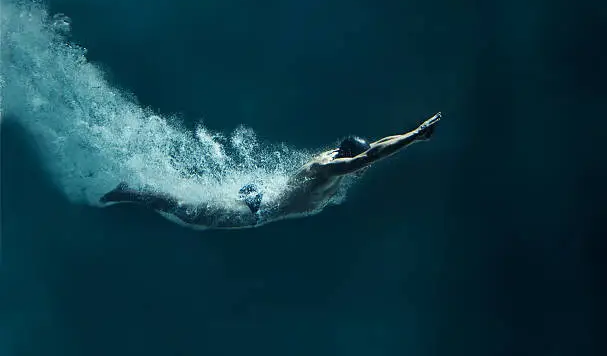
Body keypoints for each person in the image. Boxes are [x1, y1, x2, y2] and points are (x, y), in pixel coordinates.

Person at [100, 111, 442, 230]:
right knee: (189, 214)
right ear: (348, 158)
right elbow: (369, 158)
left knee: (196, 208)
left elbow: (374, 149)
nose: (364, 168)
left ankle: (135, 191)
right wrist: (413, 137)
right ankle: (127, 191)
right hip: (256, 210)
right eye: (360, 162)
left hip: (262, 196)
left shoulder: (339, 158)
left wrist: (409, 135)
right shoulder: (327, 168)